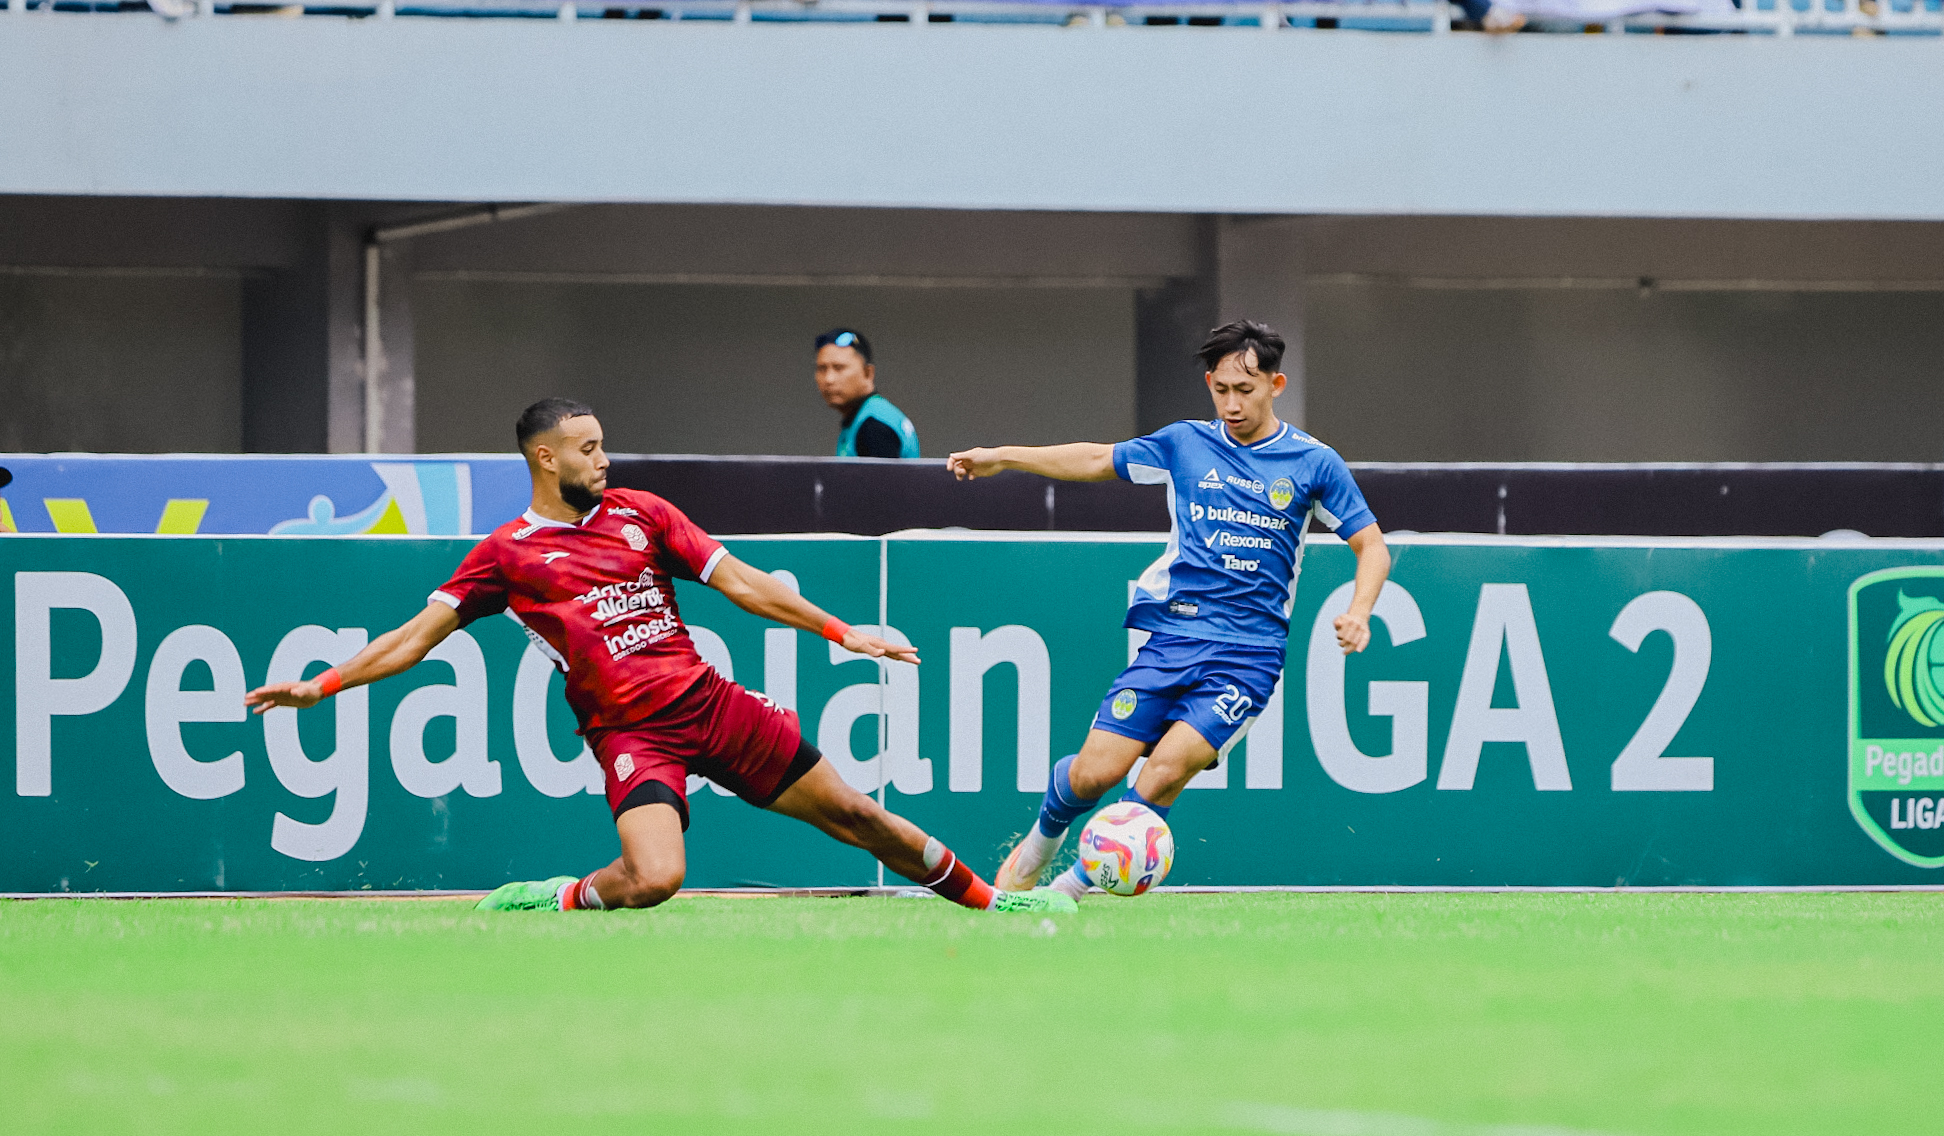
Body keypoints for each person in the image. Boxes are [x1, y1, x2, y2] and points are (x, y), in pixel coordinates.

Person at [246, 397, 1072, 915]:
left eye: (604, 445)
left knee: (859, 815)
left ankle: (994, 903)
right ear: (545, 458)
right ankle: (562, 896)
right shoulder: (506, 555)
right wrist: (323, 685)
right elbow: (412, 638)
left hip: (713, 707)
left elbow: (744, 583)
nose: (603, 459)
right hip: (632, 738)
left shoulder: (642, 513)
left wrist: (842, 631)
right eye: (588, 448)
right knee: (654, 881)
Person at [945, 321, 1391, 900]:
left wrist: (1360, 610)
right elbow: (1094, 458)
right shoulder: (1185, 444)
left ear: (1276, 384)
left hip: (1249, 657)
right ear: (1210, 383)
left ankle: (1068, 895)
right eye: (1221, 389)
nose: (1232, 403)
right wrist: (1004, 457)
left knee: (1160, 775)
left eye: (1246, 390)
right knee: (1092, 775)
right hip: (1173, 638)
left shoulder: (1314, 463)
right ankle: (1035, 852)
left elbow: (1372, 545)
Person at [814, 328, 920, 458]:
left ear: (868, 373)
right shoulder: (864, 417)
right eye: (822, 369)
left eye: (839, 368)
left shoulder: (874, 427)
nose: (829, 379)